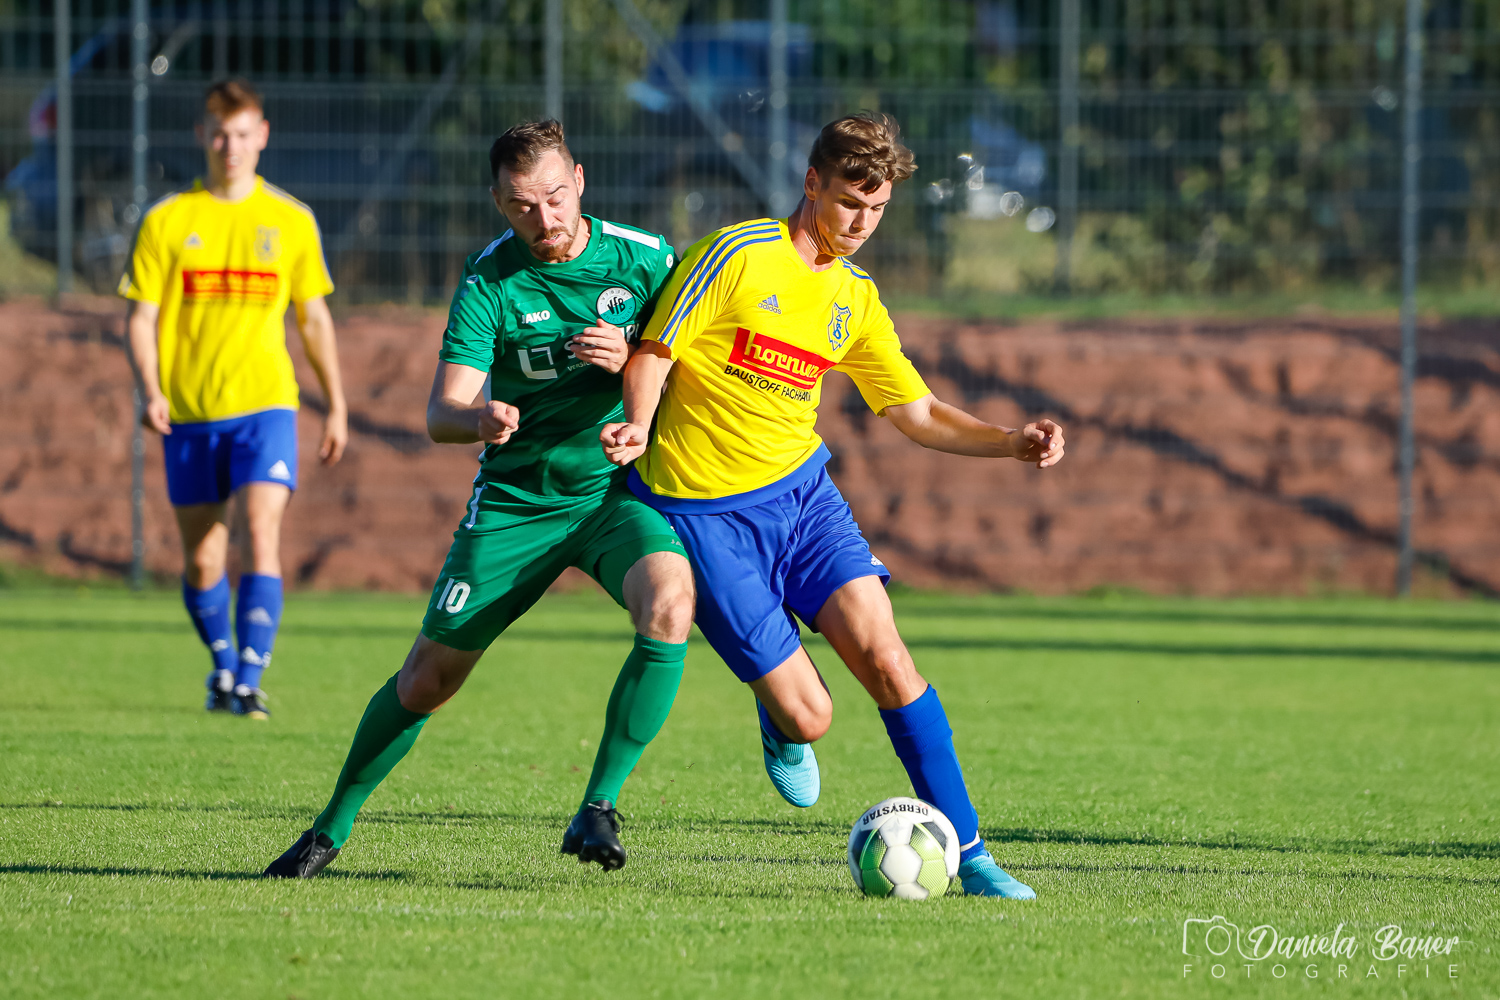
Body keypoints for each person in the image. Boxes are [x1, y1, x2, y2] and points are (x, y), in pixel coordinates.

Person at [601, 113, 1065, 899]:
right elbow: (654, 351)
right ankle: (782, 712)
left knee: (889, 660)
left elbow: (917, 411)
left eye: (877, 208)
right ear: (813, 183)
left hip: (803, 501)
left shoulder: (855, 297)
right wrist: (639, 424)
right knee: (811, 718)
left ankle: (974, 855)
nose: (861, 222)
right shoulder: (736, 256)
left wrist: (1009, 441)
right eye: (851, 201)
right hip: (703, 515)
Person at [263, 120, 695, 878]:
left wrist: (635, 360)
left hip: (613, 494)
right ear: (499, 203)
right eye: (523, 205)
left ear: (580, 181)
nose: (545, 218)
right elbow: (441, 414)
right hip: (516, 502)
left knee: (669, 605)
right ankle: (329, 829)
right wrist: (480, 419)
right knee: (428, 679)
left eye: (555, 197)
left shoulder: (648, 257)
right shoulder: (490, 280)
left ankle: (598, 805)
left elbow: (698, 364)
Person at [121, 79, 348, 720]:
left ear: (262, 135)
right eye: (220, 135)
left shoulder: (291, 220)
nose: (231, 147)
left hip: (266, 406)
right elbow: (141, 318)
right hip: (191, 414)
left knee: (261, 531)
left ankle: (249, 679)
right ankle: (223, 665)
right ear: (202, 136)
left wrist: (335, 402)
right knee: (203, 559)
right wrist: (151, 389)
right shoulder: (168, 220)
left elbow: (314, 319)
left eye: (243, 134)